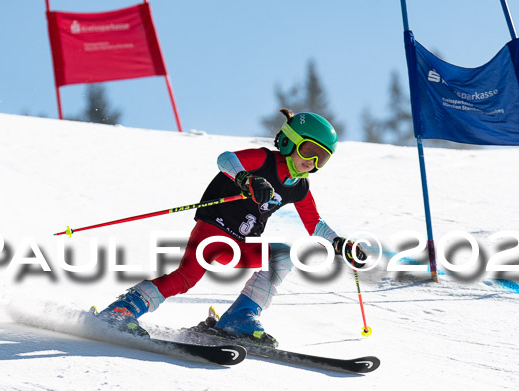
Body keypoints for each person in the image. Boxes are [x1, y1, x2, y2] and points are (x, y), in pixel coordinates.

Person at [94, 108, 366, 344]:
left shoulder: (300, 187)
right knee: (187, 277)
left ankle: (239, 318)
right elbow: (226, 159)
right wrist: (247, 179)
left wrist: (339, 243)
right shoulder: (265, 160)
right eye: (309, 151)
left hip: (242, 243)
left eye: (322, 157)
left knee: (282, 256)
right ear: (288, 141)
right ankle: (122, 309)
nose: (313, 162)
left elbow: (314, 223)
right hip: (215, 227)